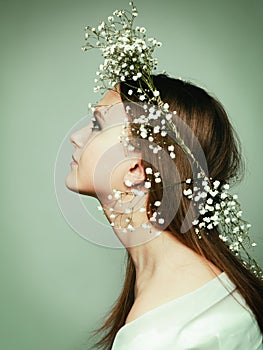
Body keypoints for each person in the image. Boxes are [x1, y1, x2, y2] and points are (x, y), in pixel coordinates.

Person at [65, 3, 263, 350]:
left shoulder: (158, 336)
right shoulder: (205, 285)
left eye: (96, 125)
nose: (76, 137)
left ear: (136, 170)